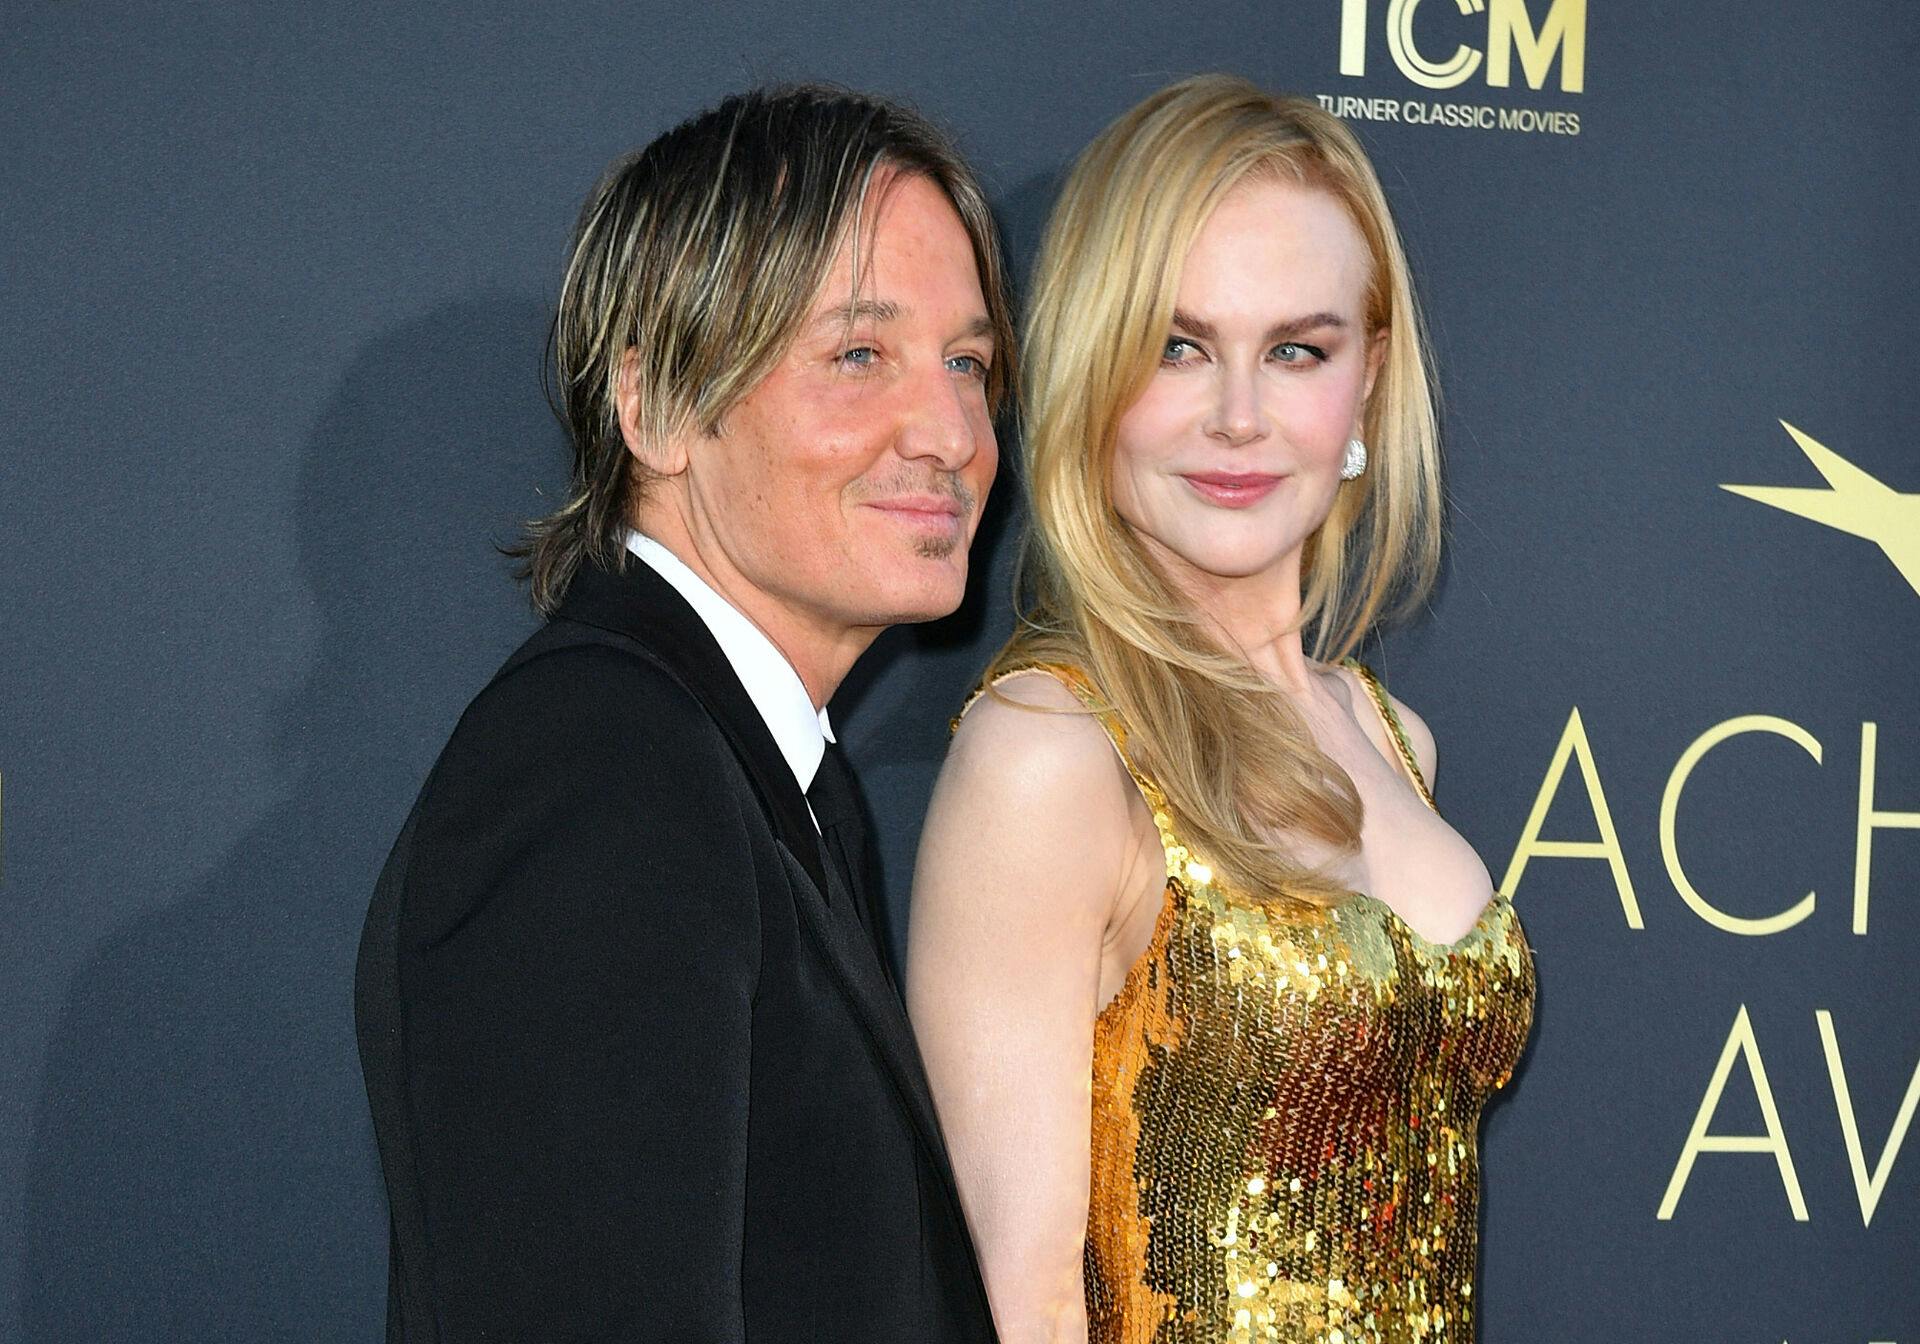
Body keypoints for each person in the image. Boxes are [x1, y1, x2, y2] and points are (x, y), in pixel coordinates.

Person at [354, 85, 1013, 1342]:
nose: (949, 432)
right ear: (653, 408)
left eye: (968, 363)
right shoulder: (603, 775)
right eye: (859, 355)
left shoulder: (766, 782)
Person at [907, 75, 1535, 1344]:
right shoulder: (1052, 752)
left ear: (1367, 385)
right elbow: (1022, 1307)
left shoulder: (1388, 737)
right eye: (1177, 346)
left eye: (1297, 350)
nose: (1240, 417)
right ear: (1093, 369)